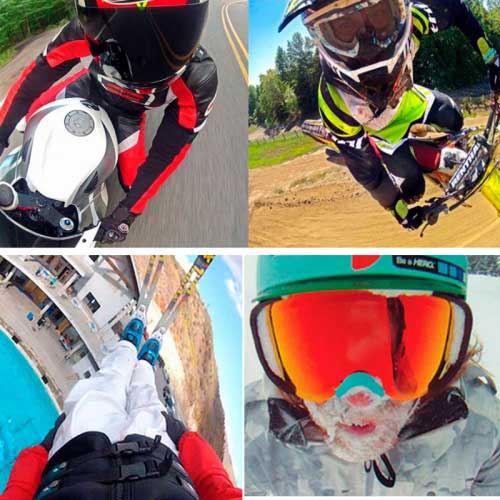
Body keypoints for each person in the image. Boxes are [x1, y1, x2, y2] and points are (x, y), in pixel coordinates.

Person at [245, 255, 500, 495]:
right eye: (324, 359)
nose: (359, 397)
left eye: (395, 360)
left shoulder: (483, 429)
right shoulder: (254, 437)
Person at [0, 0, 217, 244]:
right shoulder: (199, 78)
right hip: (92, 88)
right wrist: (127, 214)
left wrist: (128, 212)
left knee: (133, 184)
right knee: (28, 121)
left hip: (127, 115)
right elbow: (32, 80)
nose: (143, 58)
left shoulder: (199, 79)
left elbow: (167, 153)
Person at [279, 0, 500, 230]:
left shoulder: (334, 101)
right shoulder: (413, 23)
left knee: (454, 119)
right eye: (345, 26)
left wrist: (401, 213)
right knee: (414, 191)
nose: (368, 44)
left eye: (379, 13)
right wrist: (491, 58)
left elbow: (455, 10)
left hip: (405, 107)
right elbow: (455, 10)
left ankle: (355, 144)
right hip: (389, 127)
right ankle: (355, 144)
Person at [2, 307, 241, 499]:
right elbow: (218, 488)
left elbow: (16, 494)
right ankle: (144, 361)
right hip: (155, 455)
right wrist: (187, 439)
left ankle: (130, 346)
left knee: (111, 382)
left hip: (78, 452)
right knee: (142, 393)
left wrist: (42, 449)